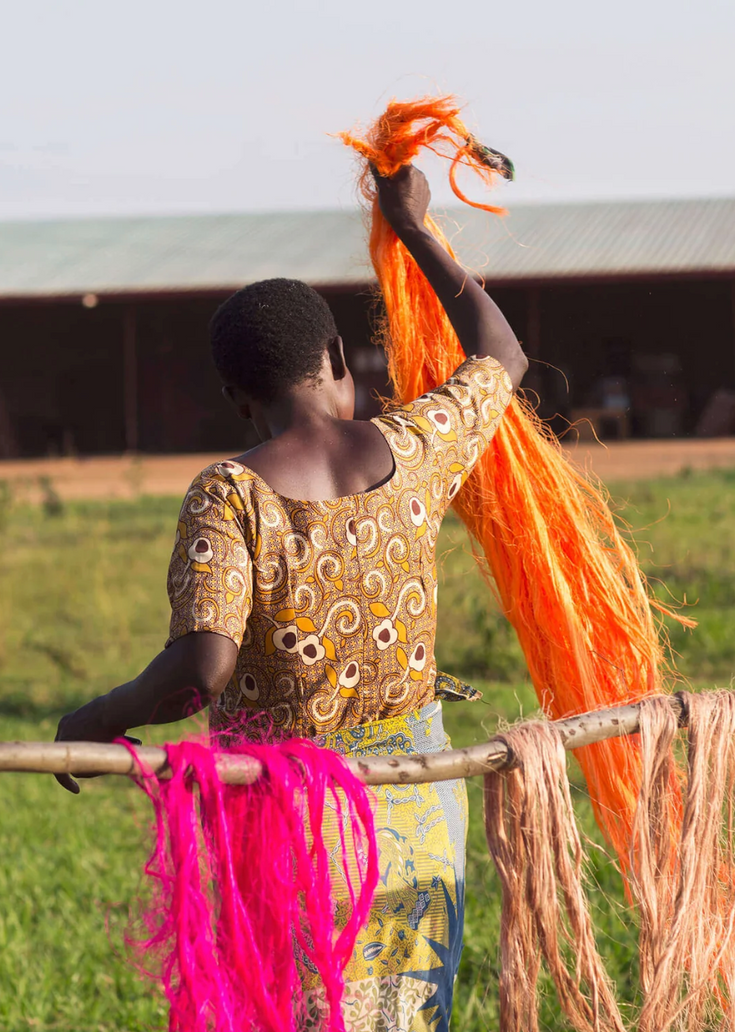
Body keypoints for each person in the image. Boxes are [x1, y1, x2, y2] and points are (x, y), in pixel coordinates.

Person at [55, 164, 527, 1029]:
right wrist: (417, 229)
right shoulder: (412, 447)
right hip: (420, 798)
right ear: (341, 362)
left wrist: (92, 718)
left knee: (297, 1010)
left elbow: (200, 669)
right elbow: (502, 356)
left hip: (290, 819)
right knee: (405, 1013)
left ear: (239, 399)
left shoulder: (230, 492)